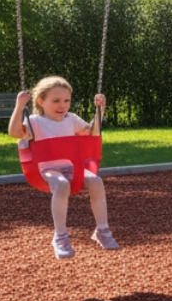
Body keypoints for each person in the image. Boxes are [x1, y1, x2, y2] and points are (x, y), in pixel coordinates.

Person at [8, 75, 118, 260]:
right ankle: (60, 237)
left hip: (71, 168)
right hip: (46, 170)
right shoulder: (34, 121)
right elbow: (15, 132)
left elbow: (92, 133)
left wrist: (100, 110)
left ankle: (102, 231)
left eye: (67, 100)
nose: (63, 105)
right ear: (41, 101)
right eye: (56, 101)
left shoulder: (71, 119)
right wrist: (19, 106)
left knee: (96, 181)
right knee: (61, 185)